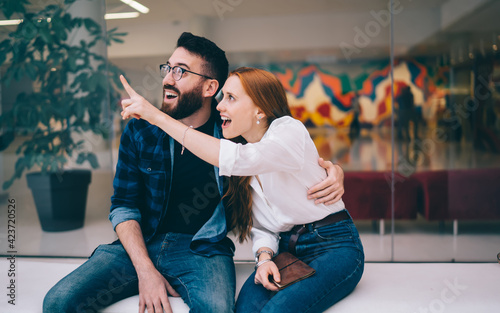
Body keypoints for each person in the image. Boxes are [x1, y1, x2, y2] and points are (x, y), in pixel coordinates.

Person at [43, 33, 344, 313]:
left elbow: (282, 152)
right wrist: (145, 269)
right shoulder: (140, 130)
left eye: (181, 71)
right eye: (168, 68)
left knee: (217, 309)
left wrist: (332, 169)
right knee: (57, 302)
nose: (167, 79)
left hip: (201, 251)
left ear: (210, 88)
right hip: (139, 243)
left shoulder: (232, 132)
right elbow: (123, 204)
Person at [120, 66, 364, 313]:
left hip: (335, 244)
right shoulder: (243, 156)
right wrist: (265, 258)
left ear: (260, 110)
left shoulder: (288, 131)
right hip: (288, 249)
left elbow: (237, 158)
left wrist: (156, 116)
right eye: (222, 96)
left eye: (231, 98)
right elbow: (265, 226)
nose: (219, 106)